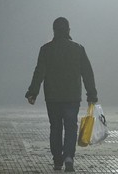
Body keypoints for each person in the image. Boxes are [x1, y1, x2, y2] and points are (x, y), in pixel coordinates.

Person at [25, 16, 98, 172]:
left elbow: (39, 72)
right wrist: (91, 94)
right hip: (72, 97)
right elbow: (87, 73)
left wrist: (33, 92)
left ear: (54, 31)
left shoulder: (46, 49)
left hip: (53, 97)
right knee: (71, 127)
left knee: (56, 128)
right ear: (68, 30)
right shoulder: (78, 49)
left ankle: (57, 160)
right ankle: (69, 156)